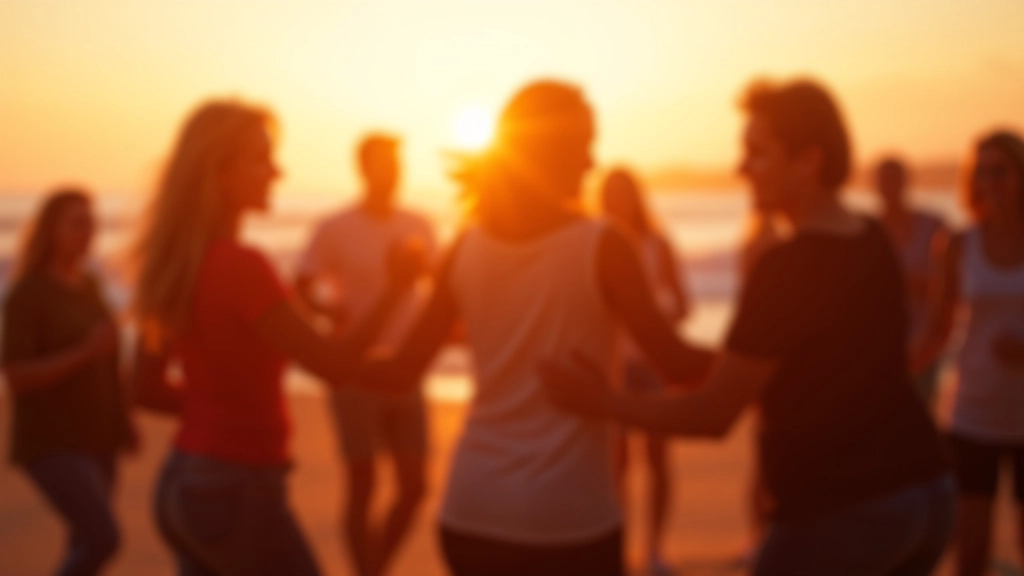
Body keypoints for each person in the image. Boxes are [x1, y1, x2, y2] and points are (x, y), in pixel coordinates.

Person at [543, 78, 954, 576]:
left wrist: (602, 401)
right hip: (926, 497)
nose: (741, 168)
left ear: (809, 161)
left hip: (841, 514)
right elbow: (826, 366)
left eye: (757, 154)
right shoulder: (873, 240)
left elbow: (715, 415)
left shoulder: (785, 267)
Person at [359, 80, 714, 576]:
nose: (593, 164)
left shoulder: (466, 246)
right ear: (552, 153)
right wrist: (778, 347)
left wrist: (311, 352)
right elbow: (677, 365)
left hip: (471, 511)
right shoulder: (604, 245)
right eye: (584, 147)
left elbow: (400, 370)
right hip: (567, 520)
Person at [129, 100, 421, 576]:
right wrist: (396, 288)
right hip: (238, 491)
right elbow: (335, 366)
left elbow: (143, 388)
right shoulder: (243, 267)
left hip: (183, 484)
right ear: (220, 173)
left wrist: (214, 410)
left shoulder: (174, 263)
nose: (277, 172)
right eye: (261, 159)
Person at [294, 134, 434, 576]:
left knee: (414, 487)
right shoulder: (335, 227)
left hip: (405, 368)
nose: (391, 171)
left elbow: (445, 289)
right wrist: (331, 312)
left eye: (396, 162)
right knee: (363, 483)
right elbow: (301, 285)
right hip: (354, 370)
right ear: (362, 168)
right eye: (382, 163)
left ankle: (373, 570)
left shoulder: (419, 224)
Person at [1, 188, 132, 576]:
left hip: (99, 437)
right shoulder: (30, 292)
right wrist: (83, 354)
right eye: (77, 225)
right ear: (50, 231)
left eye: (92, 224)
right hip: (51, 441)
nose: (88, 233)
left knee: (82, 541)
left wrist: (122, 418)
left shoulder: (89, 286)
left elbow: (108, 356)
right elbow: (16, 376)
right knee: (103, 538)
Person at [913, 130, 1024, 576]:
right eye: (981, 171)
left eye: (1000, 170)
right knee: (970, 555)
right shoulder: (959, 244)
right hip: (971, 416)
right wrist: (889, 377)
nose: (990, 181)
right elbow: (937, 330)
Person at [599, 168, 689, 576]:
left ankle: (653, 549)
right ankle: (615, 551)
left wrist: (657, 318)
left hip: (652, 365)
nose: (618, 202)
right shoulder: (593, 245)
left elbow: (684, 304)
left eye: (624, 193)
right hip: (613, 366)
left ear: (637, 197)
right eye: (610, 194)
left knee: (657, 459)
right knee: (615, 465)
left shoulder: (657, 244)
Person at [875, 156, 949, 404]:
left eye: (894, 180)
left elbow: (955, 288)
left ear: (906, 182)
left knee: (921, 412)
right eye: (883, 181)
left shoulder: (934, 226)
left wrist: (922, 285)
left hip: (925, 338)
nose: (889, 187)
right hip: (879, 344)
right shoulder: (868, 230)